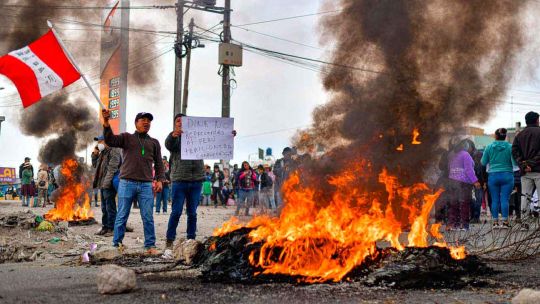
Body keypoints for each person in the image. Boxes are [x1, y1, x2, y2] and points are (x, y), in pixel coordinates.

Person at [102, 110, 165, 255]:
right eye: (142, 120)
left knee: (148, 217)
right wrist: (106, 123)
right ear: (136, 123)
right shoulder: (126, 138)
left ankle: (150, 245)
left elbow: (159, 164)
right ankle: (117, 244)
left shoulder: (154, 142)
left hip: (145, 185)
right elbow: (110, 140)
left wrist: (160, 180)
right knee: (122, 215)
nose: (146, 122)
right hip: (126, 183)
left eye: (148, 120)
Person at [164, 113, 205, 247]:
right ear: (175, 124)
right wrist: (173, 135)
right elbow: (168, 144)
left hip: (196, 180)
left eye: (184, 121)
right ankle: (170, 240)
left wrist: (227, 135)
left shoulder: (200, 136)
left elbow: (215, 142)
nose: (181, 123)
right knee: (176, 211)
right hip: (179, 180)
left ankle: (191, 239)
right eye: (178, 121)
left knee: (192, 212)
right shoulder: (175, 138)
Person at [481, 128, 516, 229]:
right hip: (507, 175)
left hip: (493, 176)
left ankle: (495, 222)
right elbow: (514, 163)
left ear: (495, 136)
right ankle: (505, 222)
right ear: (505, 136)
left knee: (495, 200)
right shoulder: (510, 147)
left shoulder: (489, 147)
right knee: (505, 199)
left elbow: (483, 162)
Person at [447, 139, 481, 231]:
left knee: (454, 203)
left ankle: (454, 224)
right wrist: (475, 181)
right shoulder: (465, 155)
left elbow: (448, 168)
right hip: (464, 183)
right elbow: (468, 170)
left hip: (452, 181)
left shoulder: (451, 154)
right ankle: (464, 225)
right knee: (464, 203)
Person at [512, 111, 540, 221]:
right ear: (537, 120)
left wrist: (523, 165)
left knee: (525, 196)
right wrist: (531, 164)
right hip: (538, 170)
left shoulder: (519, 135)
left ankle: (524, 222)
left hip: (525, 172)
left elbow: (514, 151)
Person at [92, 135, 122, 237]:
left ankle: (112, 228)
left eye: (100, 141)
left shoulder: (114, 151)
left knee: (110, 207)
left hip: (108, 183)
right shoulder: (103, 153)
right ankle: (105, 227)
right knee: (104, 207)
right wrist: (94, 155)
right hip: (103, 183)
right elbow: (95, 166)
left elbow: (112, 169)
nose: (98, 144)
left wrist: (106, 184)